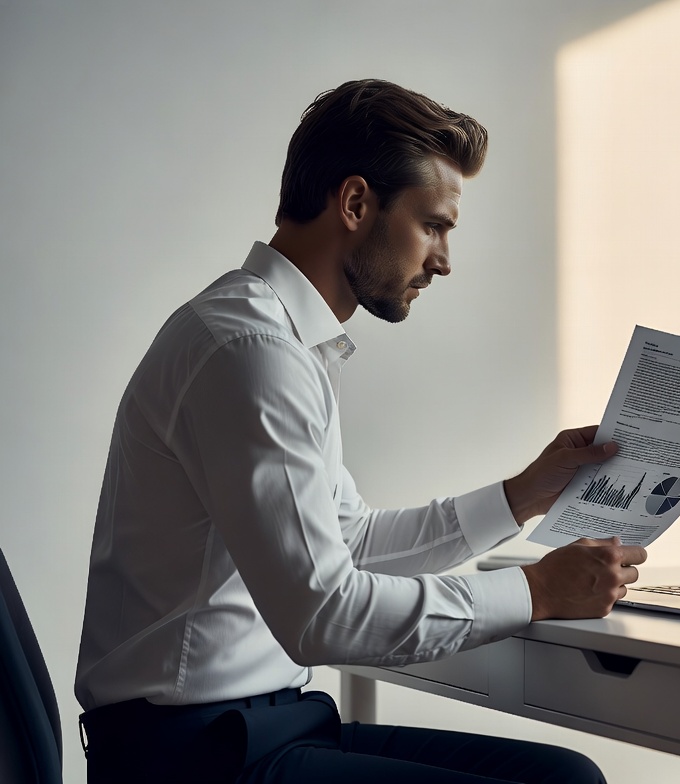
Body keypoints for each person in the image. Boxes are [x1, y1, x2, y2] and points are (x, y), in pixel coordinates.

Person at [74, 78, 648, 784]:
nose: (443, 260)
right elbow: (323, 612)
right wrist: (535, 591)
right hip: (193, 755)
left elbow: (349, 545)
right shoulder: (251, 351)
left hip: (262, 724)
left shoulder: (280, 340)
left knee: (564, 776)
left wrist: (522, 497)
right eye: (432, 225)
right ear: (354, 203)